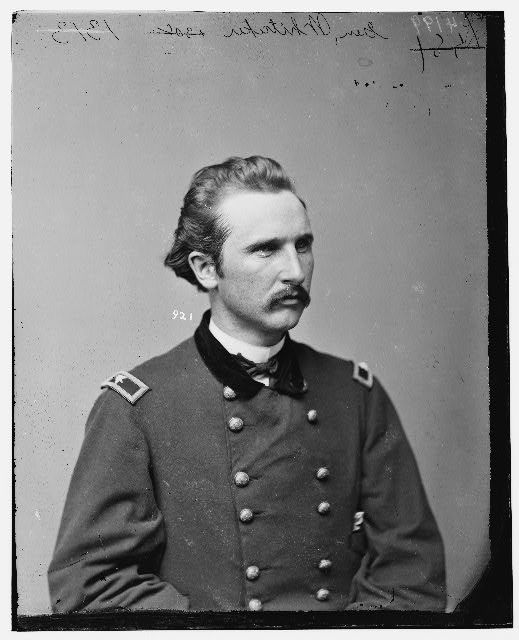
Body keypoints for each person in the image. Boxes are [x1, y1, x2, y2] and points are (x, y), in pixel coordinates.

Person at [48, 156, 446, 613]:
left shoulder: (356, 395)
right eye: (266, 249)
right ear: (206, 269)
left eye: (303, 245)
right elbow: (91, 586)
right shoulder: (136, 408)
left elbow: (412, 574)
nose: (295, 270)